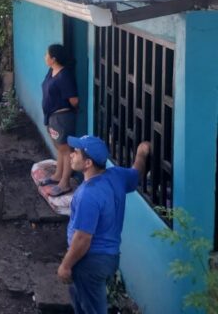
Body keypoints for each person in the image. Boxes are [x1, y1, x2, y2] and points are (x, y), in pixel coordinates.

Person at [58, 135, 151, 314]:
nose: (70, 155)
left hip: (90, 261)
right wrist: (141, 154)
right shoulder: (116, 176)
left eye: (76, 152)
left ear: (88, 163)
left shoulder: (88, 195)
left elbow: (83, 238)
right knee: (81, 300)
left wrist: (66, 265)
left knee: (92, 308)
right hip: (108, 257)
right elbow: (136, 174)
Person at [40, 44, 79, 197]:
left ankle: (65, 184)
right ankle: (57, 175)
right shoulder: (52, 71)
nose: (45, 57)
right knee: (60, 148)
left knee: (66, 150)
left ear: (53, 59)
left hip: (62, 117)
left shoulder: (65, 76)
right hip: (52, 116)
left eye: (46, 54)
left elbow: (74, 100)